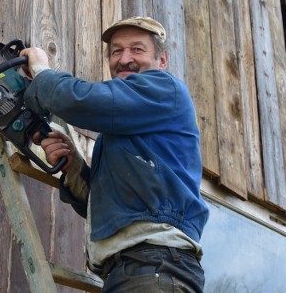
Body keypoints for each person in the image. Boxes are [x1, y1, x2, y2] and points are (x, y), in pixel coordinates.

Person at [20, 16, 209, 292]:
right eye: (117, 51)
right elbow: (107, 208)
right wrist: (73, 168)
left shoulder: (166, 89)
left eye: (137, 49)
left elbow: (81, 100)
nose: (125, 58)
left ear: (162, 60)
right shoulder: (125, 130)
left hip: (155, 267)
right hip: (130, 272)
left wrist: (42, 71)